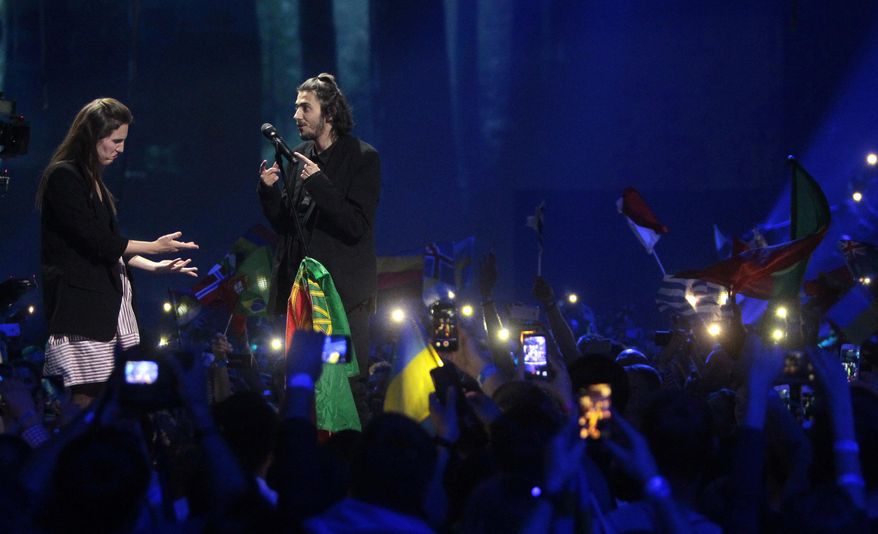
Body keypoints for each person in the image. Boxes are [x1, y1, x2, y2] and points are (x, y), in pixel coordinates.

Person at [36, 97, 199, 409]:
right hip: (84, 311)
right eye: (115, 140)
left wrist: (155, 266)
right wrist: (154, 245)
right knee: (87, 399)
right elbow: (97, 241)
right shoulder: (64, 177)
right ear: (92, 136)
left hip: (108, 305)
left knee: (113, 397)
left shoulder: (94, 182)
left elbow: (110, 244)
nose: (120, 149)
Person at [258, 73, 380, 425]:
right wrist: (268, 192)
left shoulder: (363, 158)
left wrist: (320, 184)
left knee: (346, 382)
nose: (296, 115)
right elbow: (287, 225)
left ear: (328, 114)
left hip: (341, 299)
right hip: (304, 298)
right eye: (296, 107)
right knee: (301, 385)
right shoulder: (297, 157)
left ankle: (354, 463)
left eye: (304, 107)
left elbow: (356, 225)